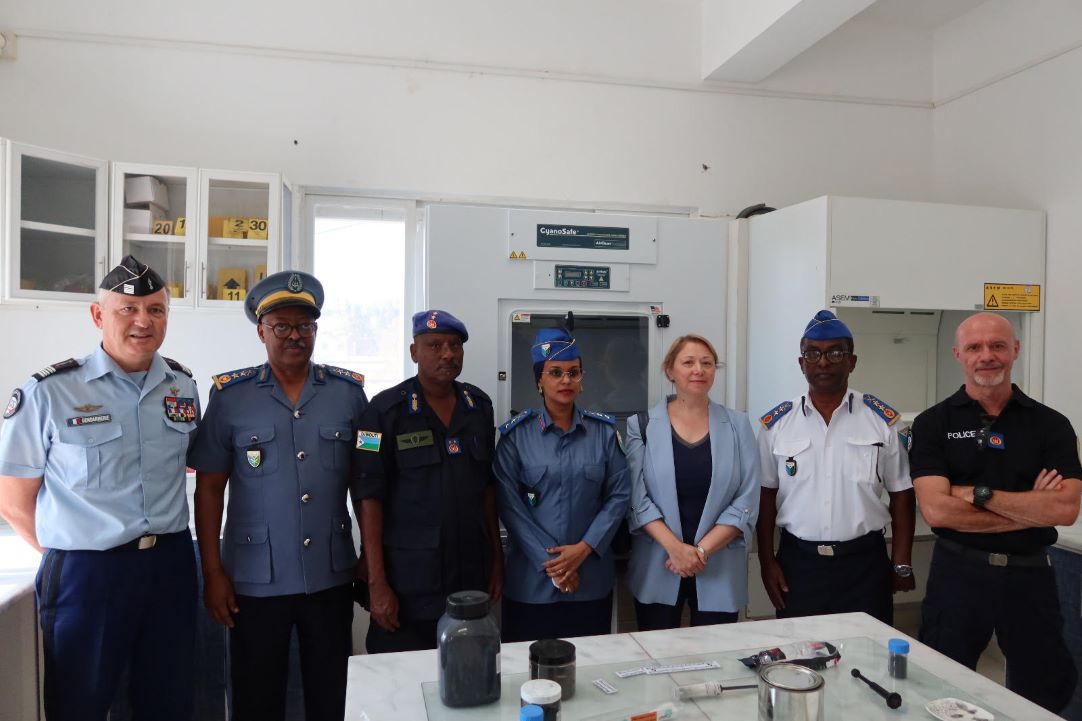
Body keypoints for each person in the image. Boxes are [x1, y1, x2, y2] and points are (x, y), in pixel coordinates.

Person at [0, 256, 199, 721]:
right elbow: (13, 501)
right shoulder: (50, 392)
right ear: (98, 315)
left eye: (155, 309)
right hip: (88, 575)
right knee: (81, 704)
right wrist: (69, 554)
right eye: (127, 309)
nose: (142, 321)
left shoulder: (183, 387)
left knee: (170, 703)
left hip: (170, 566)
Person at [187, 271, 368, 721]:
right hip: (253, 579)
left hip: (329, 573)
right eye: (282, 326)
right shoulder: (230, 397)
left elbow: (368, 481)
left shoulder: (349, 395)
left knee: (333, 693)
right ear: (261, 331)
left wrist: (369, 557)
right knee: (255, 695)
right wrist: (213, 572)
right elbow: (209, 489)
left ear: (316, 330)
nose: (294, 336)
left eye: (304, 326)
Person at [909, 312, 1080, 713]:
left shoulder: (1051, 425)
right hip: (958, 573)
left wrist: (975, 494)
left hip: (1030, 575)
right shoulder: (934, 424)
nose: (987, 356)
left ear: (1015, 350)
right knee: (940, 680)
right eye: (975, 347)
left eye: (997, 345)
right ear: (958, 355)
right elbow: (936, 511)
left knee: (1043, 687)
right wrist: (1030, 509)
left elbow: (1065, 508)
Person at [354, 309, 504, 653]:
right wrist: (376, 584)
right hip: (408, 585)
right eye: (435, 345)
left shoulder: (478, 406)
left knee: (470, 682)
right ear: (414, 352)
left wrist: (497, 560)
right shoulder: (381, 412)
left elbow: (487, 490)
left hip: (469, 580)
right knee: (400, 690)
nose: (447, 354)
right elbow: (368, 497)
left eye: (455, 345)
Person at [756, 310, 915, 625]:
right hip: (798, 566)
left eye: (835, 352)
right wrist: (766, 562)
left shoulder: (881, 421)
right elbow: (765, 497)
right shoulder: (776, 425)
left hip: (864, 565)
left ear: (852, 361)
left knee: (869, 657)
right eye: (813, 354)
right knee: (800, 660)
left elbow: (902, 494)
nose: (823, 362)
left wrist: (901, 562)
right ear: (801, 363)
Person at [494, 327, 630, 642]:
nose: (565, 380)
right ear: (539, 381)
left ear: (582, 380)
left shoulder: (604, 433)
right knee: (527, 674)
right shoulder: (516, 437)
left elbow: (619, 496)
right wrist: (553, 564)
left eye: (573, 373)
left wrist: (583, 549)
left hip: (590, 579)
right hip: (531, 582)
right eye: (555, 373)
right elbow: (509, 506)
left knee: (589, 672)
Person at [625, 334, 760, 630]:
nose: (698, 369)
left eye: (707, 363)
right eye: (688, 362)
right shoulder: (642, 425)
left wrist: (700, 553)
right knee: (657, 661)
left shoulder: (738, 425)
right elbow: (638, 499)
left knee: (718, 664)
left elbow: (746, 499)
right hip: (660, 562)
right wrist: (675, 548)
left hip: (719, 564)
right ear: (670, 371)